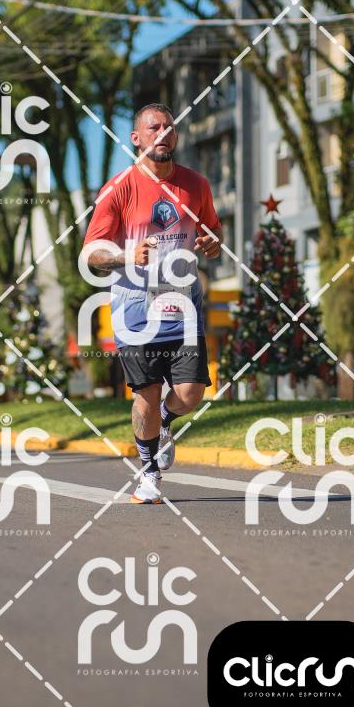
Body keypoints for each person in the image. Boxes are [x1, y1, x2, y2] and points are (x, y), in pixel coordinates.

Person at [82, 103, 222, 504]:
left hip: (183, 307)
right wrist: (127, 256)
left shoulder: (196, 184)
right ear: (136, 138)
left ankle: (164, 421)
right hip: (136, 313)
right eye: (153, 127)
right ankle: (148, 473)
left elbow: (213, 231)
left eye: (169, 127)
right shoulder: (119, 188)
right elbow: (91, 252)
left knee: (191, 392)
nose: (163, 133)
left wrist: (212, 243)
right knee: (145, 394)